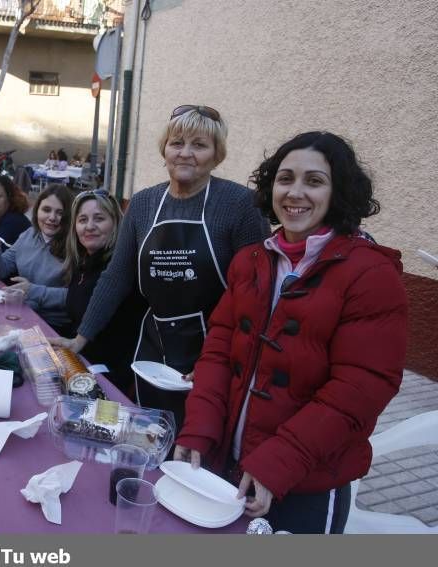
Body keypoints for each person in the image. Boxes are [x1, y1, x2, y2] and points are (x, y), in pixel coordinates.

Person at [173, 131, 407, 534]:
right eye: (285, 179)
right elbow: (217, 353)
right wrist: (199, 428)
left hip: (306, 484)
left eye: (314, 181)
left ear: (339, 192)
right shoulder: (250, 261)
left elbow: (359, 391)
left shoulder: (371, 275)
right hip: (228, 465)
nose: (295, 193)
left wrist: (278, 463)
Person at [51, 105, 269, 426]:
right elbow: (117, 277)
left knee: (198, 435)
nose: (185, 153)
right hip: (153, 345)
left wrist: (224, 359)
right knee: (147, 430)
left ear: (216, 155)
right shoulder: (143, 203)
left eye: (199, 145)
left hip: (215, 347)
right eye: (176, 143)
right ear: (164, 150)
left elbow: (256, 293)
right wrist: (81, 338)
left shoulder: (240, 205)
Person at [62, 189, 145, 398]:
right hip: (81, 363)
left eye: (99, 218)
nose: (89, 226)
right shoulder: (84, 264)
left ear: (116, 223)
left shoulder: (119, 269)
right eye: (82, 220)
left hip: (111, 379)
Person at [0, 184, 73, 333]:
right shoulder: (28, 235)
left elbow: (74, 297)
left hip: (53, 326)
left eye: (60, 212)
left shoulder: (75, 246)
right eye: (46, 210)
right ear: (37, 210)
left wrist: (32, 291)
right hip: (22, 314)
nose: (52, 218)